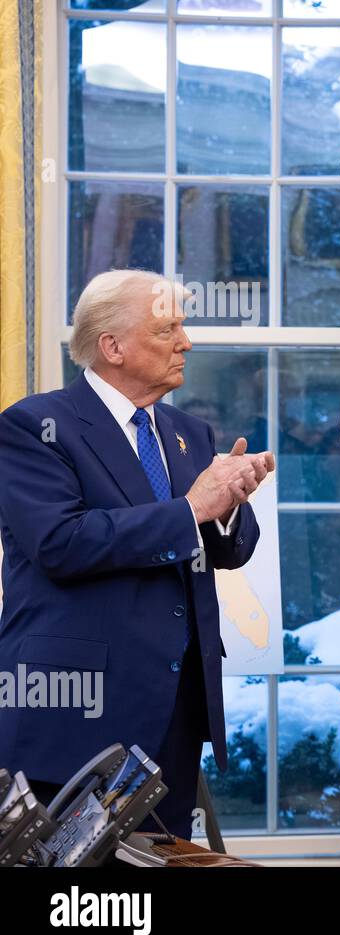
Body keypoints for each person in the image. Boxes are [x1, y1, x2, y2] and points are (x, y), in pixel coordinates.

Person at [0, 269, 273, 840]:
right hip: (74, 714)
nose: (187, 342)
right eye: (168, 328)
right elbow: (60, 544)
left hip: (173, 715)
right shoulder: (33, 426)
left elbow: (230, 549)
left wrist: (227, 505)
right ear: (113, 346)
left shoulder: (190, 431)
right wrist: (193, 507)